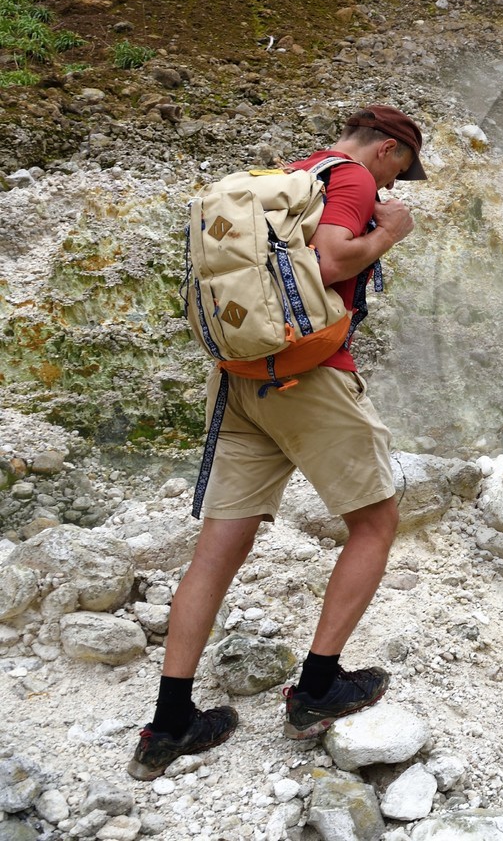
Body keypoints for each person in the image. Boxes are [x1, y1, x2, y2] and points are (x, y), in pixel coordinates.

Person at [128, 105, 427, 781]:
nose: (392, 186)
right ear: (387, 149)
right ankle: (318, 689)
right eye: (400, 170)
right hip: (308, 378)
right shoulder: (352, 179)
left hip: (240, 379)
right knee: (375, 522)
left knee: (215, 552)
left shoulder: (289, 178)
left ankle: (169, 725)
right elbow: (333, 259)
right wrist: (389, 232)